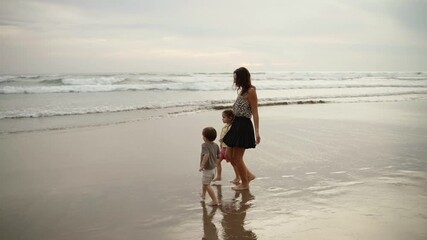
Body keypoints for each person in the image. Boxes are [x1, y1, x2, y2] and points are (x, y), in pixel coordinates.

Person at [223, 67, 260, 191]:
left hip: (244, 125)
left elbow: (255, 113)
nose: (234, 80)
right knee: (229, 155)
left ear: (242, 78)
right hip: (236, 124)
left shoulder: (251, 91)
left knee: (238, 158)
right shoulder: (243, 91)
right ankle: (248, 175)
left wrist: (257, 132)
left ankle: (245, 183)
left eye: (236, 77)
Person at [212, 109, 240, 184]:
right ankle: (219, 176)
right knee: (217, 161)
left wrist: (224, 139)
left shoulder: (232, 127)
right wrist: (221, 145)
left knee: (233, 163)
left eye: (224, 117)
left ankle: (238, 177)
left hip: (229, 149)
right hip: (223, 148)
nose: (222, 119)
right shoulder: (225, 127)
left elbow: (232, 137)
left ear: (230, 118)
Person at [199, 127, 220, 206]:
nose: (202, 137)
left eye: (203, 136)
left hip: (207, 169)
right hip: (213, 169)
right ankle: (203, 195)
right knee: (205, 183)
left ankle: (215, 200)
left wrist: (202, 165)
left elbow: (206, 155)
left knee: (207, 185)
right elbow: (219, 155)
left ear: (205, 138)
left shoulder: (204, 145)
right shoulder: (216, 145)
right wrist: (215, 162)